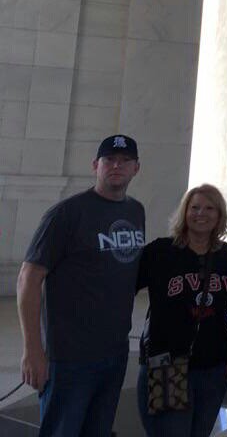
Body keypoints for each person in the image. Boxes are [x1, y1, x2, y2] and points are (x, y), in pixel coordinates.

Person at [17, 134, 145, 436]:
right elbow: (29, 278)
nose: (116, 165)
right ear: (95, 166)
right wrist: (33, 349)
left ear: (136, 168)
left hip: (114, 353)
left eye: (124, 160)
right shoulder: (67, 214)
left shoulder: (135, 211)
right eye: (109, 160)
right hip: (69, 357)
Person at [136, 183, 227, 437]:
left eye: (209, 208)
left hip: (213, 367)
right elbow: (121, 286)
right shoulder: (160, 251)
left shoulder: (226, 255)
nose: (200, 213)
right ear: (184, 212)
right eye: (194, 207)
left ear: (219, 215)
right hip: (167, 364)